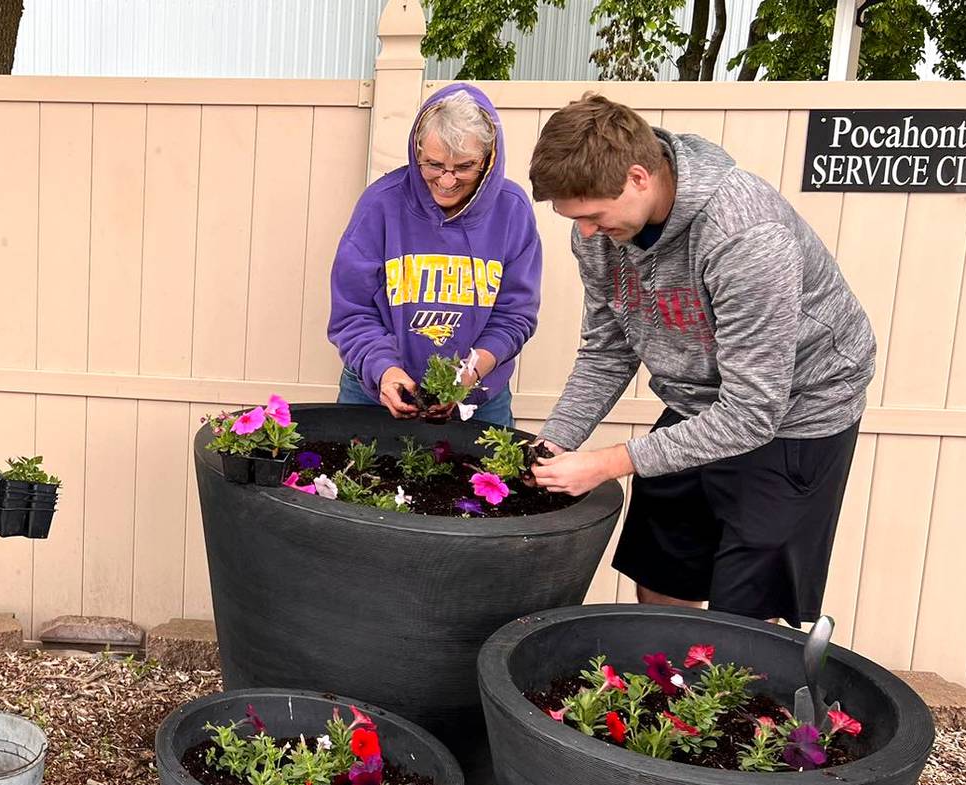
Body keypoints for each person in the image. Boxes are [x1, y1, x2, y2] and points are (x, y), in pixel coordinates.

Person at [525, 93, 873, 629]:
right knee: (662, 568)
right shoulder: (598, 236)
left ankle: (742, 702)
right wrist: (558, 439)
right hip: (695, 405)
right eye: (575, 219)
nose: (587, 232)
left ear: (639, 176)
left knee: (747, 612)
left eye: (594, 215)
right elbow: (607, 347)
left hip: (796, 416)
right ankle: (666, 692)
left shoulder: (744, 235)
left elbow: (753, 412)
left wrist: (606, 463)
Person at [328, 83, 541, 427]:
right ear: (417, 151)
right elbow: (352, 312)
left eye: (464, 167)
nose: (446, 180)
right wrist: (385, 369)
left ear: (489, 158)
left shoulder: (512, 210)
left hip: (480, 400)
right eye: (433, 164)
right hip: (375, 395)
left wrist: (472, 371)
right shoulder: (380, 205)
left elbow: (515, 315)